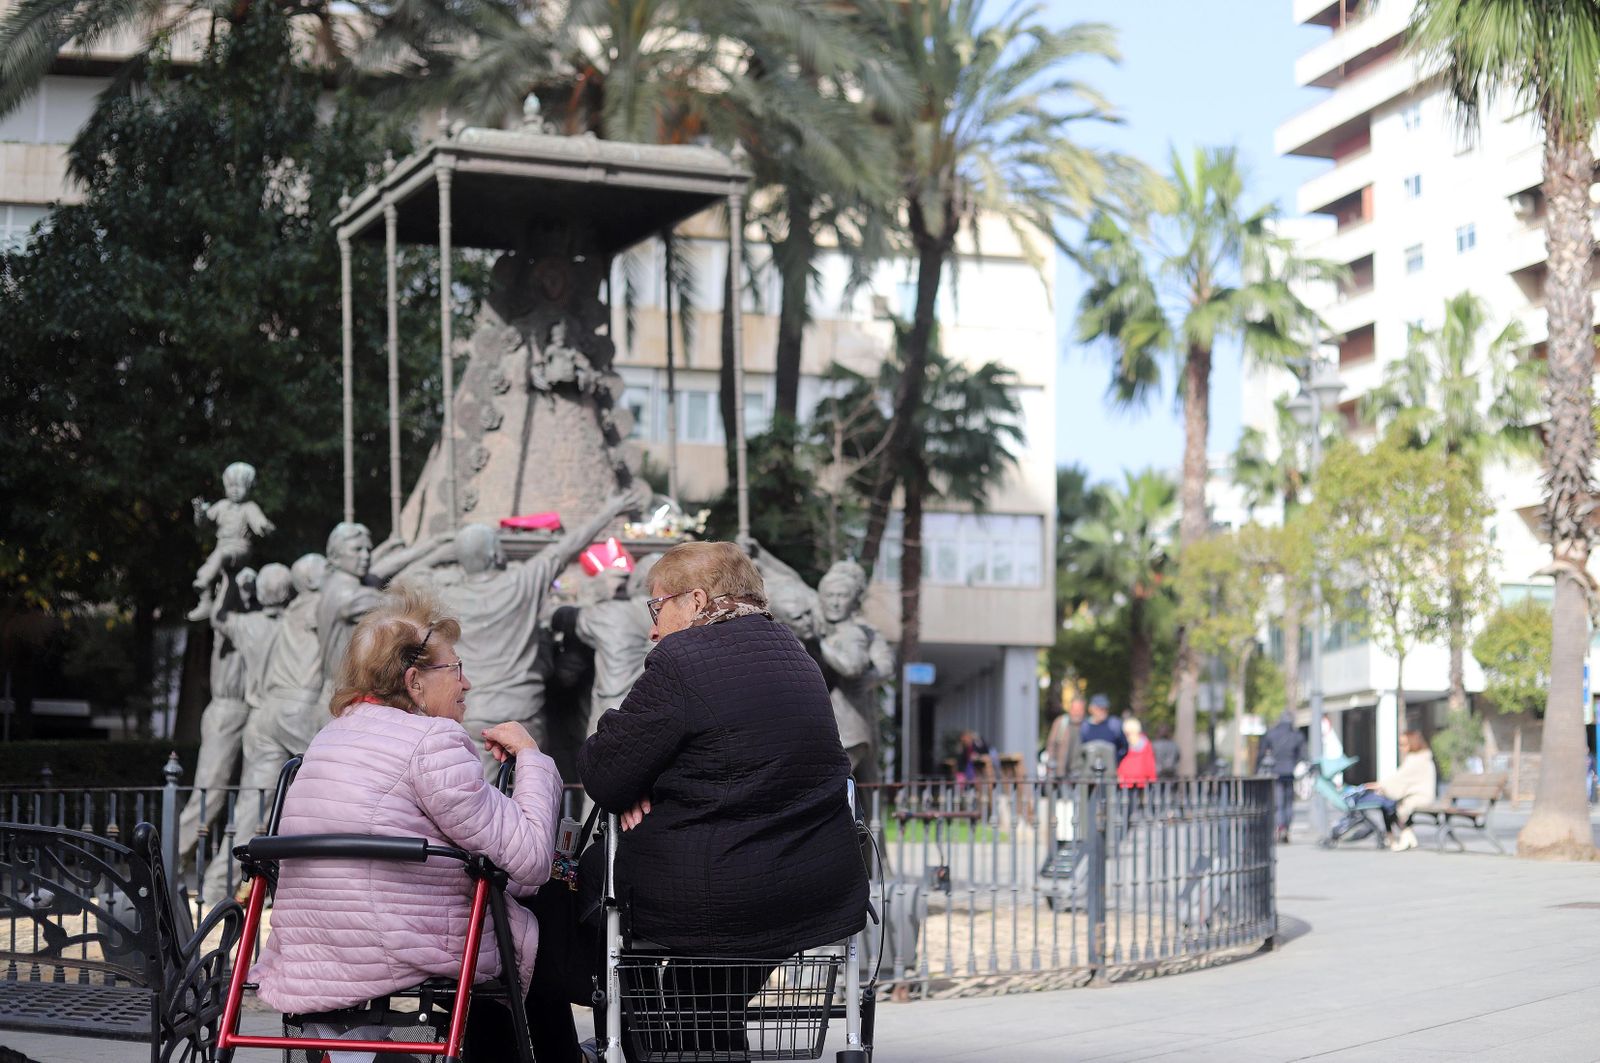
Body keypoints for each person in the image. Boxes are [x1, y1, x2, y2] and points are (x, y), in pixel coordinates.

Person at [562, 541, 869, 1057]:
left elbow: (606, 775)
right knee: (702, 1000)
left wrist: (634, 782)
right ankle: (658, 1036)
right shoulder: (796, 654)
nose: (654, 626)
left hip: (723, 891)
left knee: (575, 888)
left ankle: (631, 1037)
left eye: (658, 607)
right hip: (810, 888)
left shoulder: (682, 659)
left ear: (697, 600)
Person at [250, 586, 564, 1058]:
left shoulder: (328, 739)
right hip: (395, 944)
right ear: (415, 682)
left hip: (315, 949)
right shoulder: (431, 741)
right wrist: (533, 760)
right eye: (456, 670)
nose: (467, 684)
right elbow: (532, 858)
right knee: (545, 903)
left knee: (507, 909)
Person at [1364, 730, 1438, 852]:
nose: (1400, 747)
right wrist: (1382, 785)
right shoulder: (1416, 758)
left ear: (1413, 743)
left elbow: (1400, 779)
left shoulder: (1418, 760)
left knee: (1390, 806)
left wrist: (1380, 785)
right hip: (1413, 795)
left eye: (1403, 744)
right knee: (1388, 804)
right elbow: (1400, 779)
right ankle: (1402, 836)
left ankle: (1401, 836)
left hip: (1420, 797)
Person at [1256, 710, 1307, 844]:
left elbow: (1261, 753)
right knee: (1289, 802)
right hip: (1290, 771)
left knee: (1278, 802)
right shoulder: (1296, 735)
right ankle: (1286, 828)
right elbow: (1302, 755)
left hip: (1275, 771)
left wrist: (1258, 768)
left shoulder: (1272, 734)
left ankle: (1280, 826)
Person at [1079, 694, 1128, 763]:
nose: (1102, 711)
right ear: (1091, 709)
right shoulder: (1084, 727)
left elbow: (1124, 747)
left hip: (1111, 769)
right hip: (1089, 770)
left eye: (1105, 708)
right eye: (1099, 708)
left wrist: (1116, 760)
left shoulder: (1114, 725)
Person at [1046, 696, 1085, 781]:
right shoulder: (1061, 722)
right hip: (1060, 771)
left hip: (1079, 773)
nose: (1077, 713)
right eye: (1075, 710)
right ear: (1070, 710)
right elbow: (1051, 744)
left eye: (1079, 710)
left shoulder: (1086, 725)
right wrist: (1051, 762)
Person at [1116, 719, 1157, 788]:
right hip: (1142, 777)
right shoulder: (1145, 742)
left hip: (1125, 777)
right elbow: (1150, 761)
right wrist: (1152, 778)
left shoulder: (1124, 743)